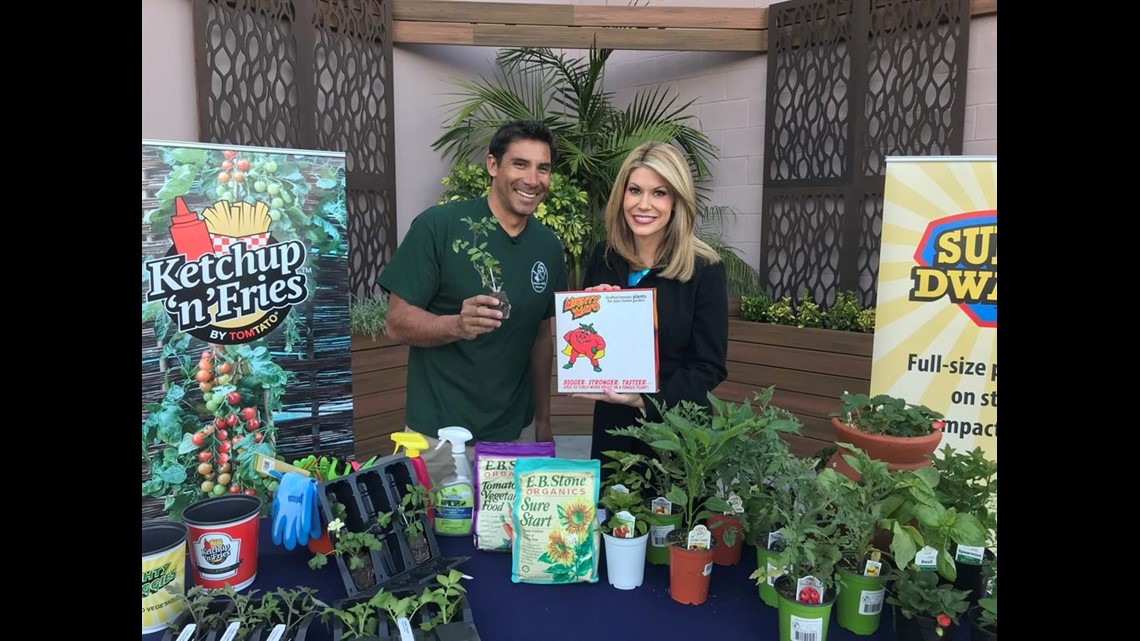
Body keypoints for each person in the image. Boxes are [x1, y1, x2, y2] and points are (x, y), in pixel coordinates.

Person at [378, 120, 568, 485]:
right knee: (433, 538)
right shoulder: (439, 226)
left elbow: (542, 335)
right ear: (493, 165)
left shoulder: (548, 247)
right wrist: (456, 325)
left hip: (515, 435)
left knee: (509, 539)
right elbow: (396, 321)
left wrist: (543, 420)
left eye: (543, 168)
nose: (532, 179)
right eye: (520, 164)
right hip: (438, 436)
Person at [570, 141, 728, 481]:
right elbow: (594, 344)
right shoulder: (604, 257)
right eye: (635, 190)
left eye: (659, 193)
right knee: (609, 523)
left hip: (674, 435)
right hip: (612, 432)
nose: (644, 204)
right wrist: (592, 311)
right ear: (621, 196)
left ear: (677, 201)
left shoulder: (704, 269)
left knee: (666, 530)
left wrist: (644, 399)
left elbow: (708, 367)